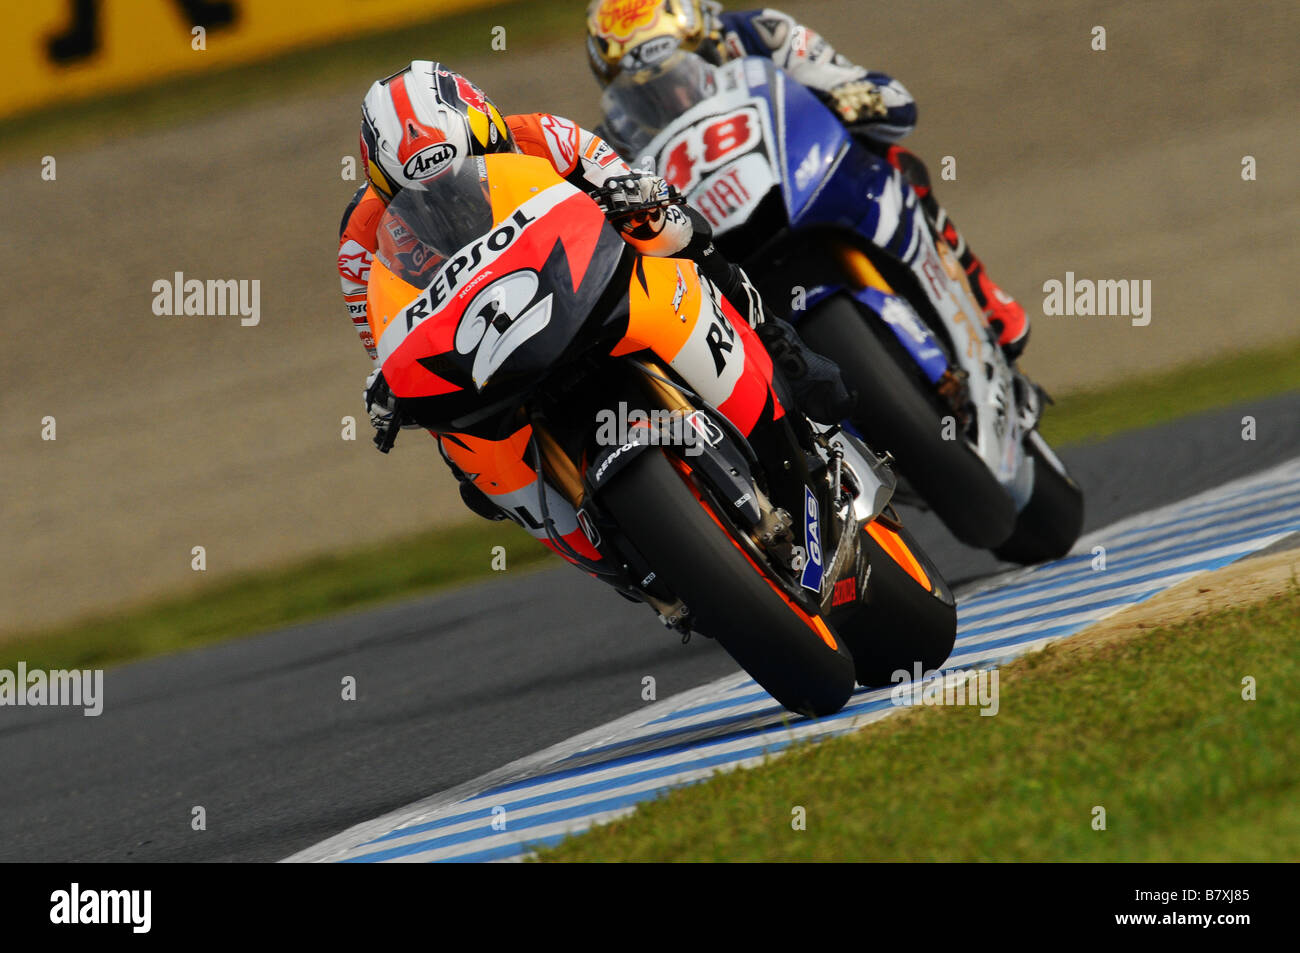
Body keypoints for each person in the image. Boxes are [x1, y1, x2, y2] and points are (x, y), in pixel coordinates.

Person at [338, 61, 850, 542]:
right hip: (486, 343)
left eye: (465, 171)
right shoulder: (361, 238)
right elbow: (386, 339)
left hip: (579, 282)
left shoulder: (542, 136)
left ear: (489, 131)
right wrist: (388, 386)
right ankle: (573, 526)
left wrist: (640, 199)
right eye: (427, 194)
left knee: (676, 233)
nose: (452, 200)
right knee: (437, 423)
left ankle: (777, 343)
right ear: (382, 187)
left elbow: (634, 186)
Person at [585, 0, 1029, 359]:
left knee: (892, 156)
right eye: (646, 90)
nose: (674, 95)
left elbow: (889, 99)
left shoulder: (763, 33)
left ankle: (979, 288)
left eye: (685, 65)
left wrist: (855, 98)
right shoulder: (612, 140)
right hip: (722, 245)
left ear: (707, 37)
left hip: (802, 178)